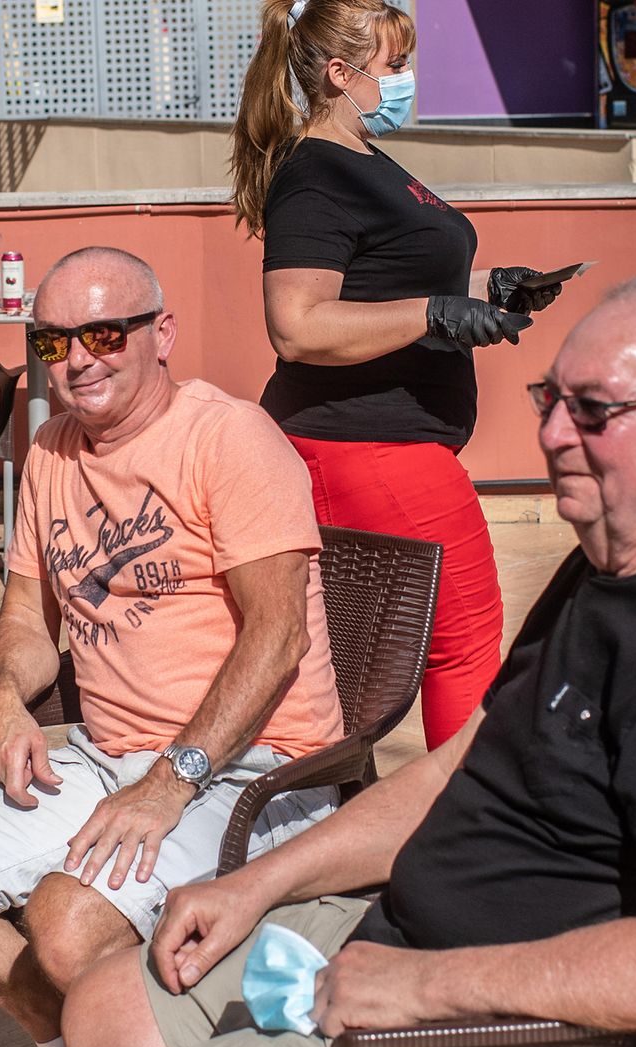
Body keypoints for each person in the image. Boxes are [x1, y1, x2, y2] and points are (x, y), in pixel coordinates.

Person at [60, 277, 636, 1047]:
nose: (554, 433)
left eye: (593, 411)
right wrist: (255, 885)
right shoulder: (608, 570)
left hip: (491, 1029)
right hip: (401, 941)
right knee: (103, 1010)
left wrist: (418, 988)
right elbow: (461, 766)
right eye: (549, 399)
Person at [0, 247, 346, 1047]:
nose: (78, 360)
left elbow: (278, 637)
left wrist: (170, 783)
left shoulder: (227, 437)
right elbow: (25, 613)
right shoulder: (52, 452)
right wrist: (7, 701)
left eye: (103, 333)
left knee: (66, 921)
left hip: (253, 770)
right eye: (54, 342)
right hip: (106, 758)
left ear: (161, 333)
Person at [229, 0, 563, 749]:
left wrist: (486, 290)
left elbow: (389, 282)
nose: (408, 79)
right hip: (368, 448)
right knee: (465, 641)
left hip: (384, 447)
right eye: (395, 66)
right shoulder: (316, 175)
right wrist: (436, 315)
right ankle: (465, 836)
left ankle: (344, 811)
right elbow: (298, 324)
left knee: (354, 655)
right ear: (342, 75)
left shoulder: (363, 160)